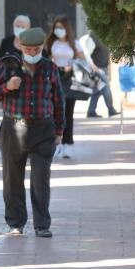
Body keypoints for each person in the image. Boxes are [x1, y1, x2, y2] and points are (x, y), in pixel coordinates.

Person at [0, 27, 64, 238]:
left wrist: (59, 131)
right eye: (28, 49)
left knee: (41, 179)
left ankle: (42, 224)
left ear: (43, 47)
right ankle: (15, 222)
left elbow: (59, 101)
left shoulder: (50, 68)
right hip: (13, 127)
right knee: (12, 178)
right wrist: (7, 87)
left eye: (37, 49)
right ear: (21, 47)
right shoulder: (8, 65)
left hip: (43, 128)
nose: (32, 53)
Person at [45, 15, 92, 160]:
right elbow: (45, 58)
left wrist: (72, 64)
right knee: (54, 113)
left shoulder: (74, 43)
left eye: (61, 27)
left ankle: (67, 145)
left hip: (69, 79)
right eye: (56, 27)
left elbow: (83, 59)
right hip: (54, 78)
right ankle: (55, 144)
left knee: (68, 114)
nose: (58, 30)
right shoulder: (51, 42)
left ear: (67, 28)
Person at [80, 32, 118, 118]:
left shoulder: (105, 37)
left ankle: (91, 111)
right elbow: (86, 53)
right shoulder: (93, 37)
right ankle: (111, 110)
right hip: (97, 69)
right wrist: (92, 66)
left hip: (103, 68)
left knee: (96, 91)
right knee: (106, 88)